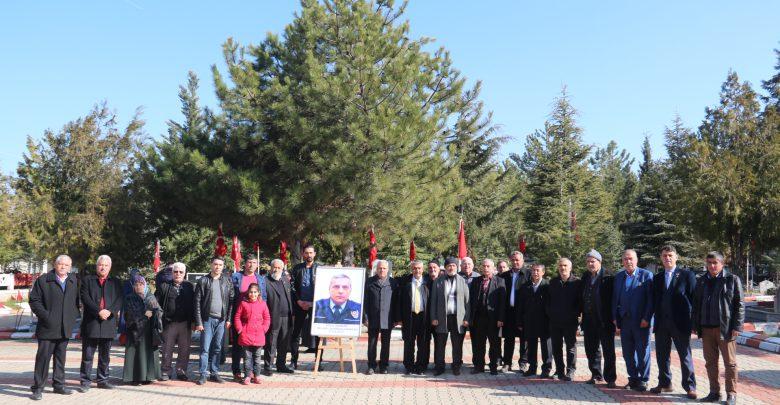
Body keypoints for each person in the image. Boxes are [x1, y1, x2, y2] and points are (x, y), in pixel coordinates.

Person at [692, 251, 744, 405]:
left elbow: (739, 304)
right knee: (710, 363)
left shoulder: (732, 279)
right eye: (709, 263)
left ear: (722, 264)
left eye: (715, 263)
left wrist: (737, 325)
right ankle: (714, 392)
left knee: (730, 364)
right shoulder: (701, 281)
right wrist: (695, 325)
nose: (712, 266)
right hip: (706, 329)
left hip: (726, 329)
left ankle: (731, 394)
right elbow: (696, 305)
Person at [28, 255, 80, 401]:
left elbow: (76, 302)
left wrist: (72, 317)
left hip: (65, 328)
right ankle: (38, 388)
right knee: (43, 359)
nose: (63, 267)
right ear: (55, 265)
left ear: (70, 267)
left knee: (60, 358)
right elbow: (34, 300)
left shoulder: (73, 280)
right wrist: (46, 316)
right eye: (60, 264)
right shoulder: (44, 280)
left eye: (66, 265)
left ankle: (59, 385)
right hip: (47, 328)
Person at [651, 246, 697, 399]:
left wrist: (694, 323)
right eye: (664, 256)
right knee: (662, 356)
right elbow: (654, 301)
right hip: (662, 324)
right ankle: (665, 383)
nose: (667, 258)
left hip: (681, 323)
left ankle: (690, 386)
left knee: (685, 356)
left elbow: (694, 300)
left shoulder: (686, 275)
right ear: (661, 258)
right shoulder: (657, 278)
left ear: (676, 257)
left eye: (670, 255)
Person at [79, 255, 123, 392]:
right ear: (96, 266)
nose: (103, 267)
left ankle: (103, 380)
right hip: (91, 322)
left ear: (110, 267)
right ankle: (85, 381)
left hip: (108, 323)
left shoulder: (115, 282)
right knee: (87, 355)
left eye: (106, 265)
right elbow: (85, 297)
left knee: (105, 356)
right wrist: (99, 311)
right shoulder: (87, 280)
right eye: (100, 265)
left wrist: (109, 311)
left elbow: (119, 299)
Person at [612, 249, 654, 392]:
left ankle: (643, 379)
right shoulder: (618, 277)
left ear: (636, 260)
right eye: (625, 259)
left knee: (643, 352)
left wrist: (647, 318)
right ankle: (633, 378)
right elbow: (615, 299)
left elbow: (650, 300)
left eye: (630, 258)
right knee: (628, 352)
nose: (628, 261)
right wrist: (615, 318)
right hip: (625, 321)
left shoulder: (646, 275)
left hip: (641, 321)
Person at [194, 256, 235, 385]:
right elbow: (197, 303)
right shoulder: (203, 281)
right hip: (207, 320)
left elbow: (232, 302)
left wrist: (228, 319)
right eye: (215, 264)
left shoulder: (227, 281)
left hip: (221, 321)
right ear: (211, 265)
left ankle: (214, 372)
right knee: (205, 348)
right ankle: (203, 374)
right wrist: (199, 322)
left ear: (223, 267)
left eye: (220, 265)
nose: (218, 267)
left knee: (217, 348)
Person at [580, 249, 617, 388]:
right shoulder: (585, 277)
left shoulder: (609, 277)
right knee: (591, 348)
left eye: (593, 261)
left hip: (604, 320)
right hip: (589, 319)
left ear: (599, 262)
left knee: (608, 350)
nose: (590, 264)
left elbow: (614, 299)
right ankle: (596, 374)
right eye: (588, 261)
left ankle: (610, 378)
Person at [430, 257, 470, 376]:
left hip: (458, 318)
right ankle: (439, 366)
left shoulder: (462, 281)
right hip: (442, 317)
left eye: (453, 265)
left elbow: (468, 301)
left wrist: (467, 318)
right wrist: (434, 317)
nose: (451, 268)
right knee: (440, 344)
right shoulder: (439, 281)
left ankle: (456, 366)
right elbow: (433, 301)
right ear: (445, 267)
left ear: (457, 267)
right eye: (449, 266)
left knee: (457, 344)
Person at [155, 262, 195, 381]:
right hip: (169, 323)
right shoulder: (164, 286)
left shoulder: (189, 287)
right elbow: (156, 302)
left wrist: (194, 321)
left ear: (184, 274)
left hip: (185, 323)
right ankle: (165, 371)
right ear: (172, 273)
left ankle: (181, 371)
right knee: (167, 348)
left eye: (180, 272)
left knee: (184, 349)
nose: (178, 274)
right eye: (175, 272)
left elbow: (194, 305)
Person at [230, 254, 267, 381]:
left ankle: (251, 372)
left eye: (254, 262)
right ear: (245, 264)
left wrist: (263, 326)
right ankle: (236, 370)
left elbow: (264, 298)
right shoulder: (236, 277)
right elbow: (231, 296)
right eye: (249, 262)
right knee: (237, 346)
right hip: (240, 317)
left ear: (257, 264)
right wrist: (238, 327)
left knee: (253, 350)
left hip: (255, 321)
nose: (251, 265)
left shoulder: (261, 279)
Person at [122, 274, 163, 385]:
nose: (139, 286)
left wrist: (154, 313)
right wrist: (145, 315)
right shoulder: (129, 297)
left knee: (148, 354)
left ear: (145, 285)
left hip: (148, 331)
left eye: (141, 284)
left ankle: (148, 376)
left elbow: (159, 311)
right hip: (134, 331)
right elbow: (128, 314)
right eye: (136, 284)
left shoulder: (150, 297)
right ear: (133, 286)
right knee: (135, 355)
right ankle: (134, 378)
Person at [547, 257, 582, 381]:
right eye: (561, 266)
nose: (563, 268)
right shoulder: (553, 282)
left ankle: (570, 371)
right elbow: (548, 301)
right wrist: (550, 313)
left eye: (565, 266)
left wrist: (576, 316)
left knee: (571, 347)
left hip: (570, 321)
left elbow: (580, 302)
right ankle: (559, 370)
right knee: (556, 347)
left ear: (570, 267)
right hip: (555, 321)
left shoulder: (577, 283)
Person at [468, 259, 506, 375]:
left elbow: (502, 302)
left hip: (493, 319)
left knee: (494, 344)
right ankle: (479, 366)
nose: (485, 268)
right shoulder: (476, 281)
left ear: (493, 268)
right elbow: (471, 300)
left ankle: (493, 366)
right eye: (484, 266)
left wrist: (501, 319)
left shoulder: (500, 281)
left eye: (488, 266)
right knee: (479, 344)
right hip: (479, 317)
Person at [517, 263, 552, 378]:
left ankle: (546, 369)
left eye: (538, 270)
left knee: (546, 346)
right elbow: (520, 306)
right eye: (533, 270)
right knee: (531, 346)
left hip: (544, 321)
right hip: (529, 321)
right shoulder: (525, 286)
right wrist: (520, 322)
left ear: (543, 272)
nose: (535, 273)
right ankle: (532, 368)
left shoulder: (548, 285)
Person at [233, 283, 271, 385]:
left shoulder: (263, 304)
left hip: (259, 335)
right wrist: (240, 329)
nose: (252, 294)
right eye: (251, 292)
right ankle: (247, 376)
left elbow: (267, 318)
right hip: (246, 335)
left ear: (258, 293)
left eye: (255, 292)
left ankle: (257, 375)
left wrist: (264, 329)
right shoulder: (243, 304)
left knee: (257, 358)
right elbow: (237, 317)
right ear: (248, 293)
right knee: (247, 358)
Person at [396, 260, 429, 375]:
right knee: (409, 342)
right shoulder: (406, 283)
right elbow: (399, 302)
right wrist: (399, 318)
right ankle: (409, 366)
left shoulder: (428, 282)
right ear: (412, 269)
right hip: (409, 317)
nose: (417, 270)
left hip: (423, 317)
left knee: (423, 343)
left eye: (419, 268)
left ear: (423, 269)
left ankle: (420, 366)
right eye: (415, 268)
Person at [290, 244, 320, 369]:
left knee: (318, 334)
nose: (309, 255)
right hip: (300, 305)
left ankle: (318, 362)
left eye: (311, 253)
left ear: (314, 254)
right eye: (306, 253)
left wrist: (314, 302)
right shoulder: (297, 268)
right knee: (296, 333)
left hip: (316, 306)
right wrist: (298, 301)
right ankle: (293, 361)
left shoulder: (320, 269)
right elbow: (291, 286)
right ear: (303, 254)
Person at [364, 260, 397, 374]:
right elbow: (365, 301)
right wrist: (365, 318)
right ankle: (371, 365)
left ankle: (384, 366)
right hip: (373, 318)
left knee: (386, 343)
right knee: (372, 343)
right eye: (379, 268)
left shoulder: (393, 283)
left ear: (387, 270)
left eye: (384, 268)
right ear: (376, 269)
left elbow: (396, 302)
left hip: (387, 318)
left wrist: (396, 319)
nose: (381, 270)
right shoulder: (369, 282)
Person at [263, 259, 295, 376]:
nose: (276, 270)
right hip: (272, 316)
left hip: (286, 316)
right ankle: (268, 366)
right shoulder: (265, 281)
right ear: (270, 268)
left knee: (284, 342)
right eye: (274, 267)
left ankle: (281, 365)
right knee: (271, 342)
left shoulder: (285, 280)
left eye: (279, 268)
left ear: (282, 269)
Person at [500, 251, 529, 373]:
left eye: (517, 260)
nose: (515, 262)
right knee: (508, 339)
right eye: (513, 260)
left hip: (523, 313)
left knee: (524, 339)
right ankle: (507, 363)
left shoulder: (528, 274)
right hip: (509, 312)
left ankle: (523, 363)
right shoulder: (504, 276)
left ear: (522, 261)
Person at [420, 259, 442, 373]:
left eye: (435, 268)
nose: (432, 270)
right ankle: (423, 364)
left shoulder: (443, 281)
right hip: (426, 319)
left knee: (439, 344)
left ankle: (438, 366)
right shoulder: (424, 281)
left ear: (439, 269)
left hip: (440, 319)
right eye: (430, 268)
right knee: (425, 342)